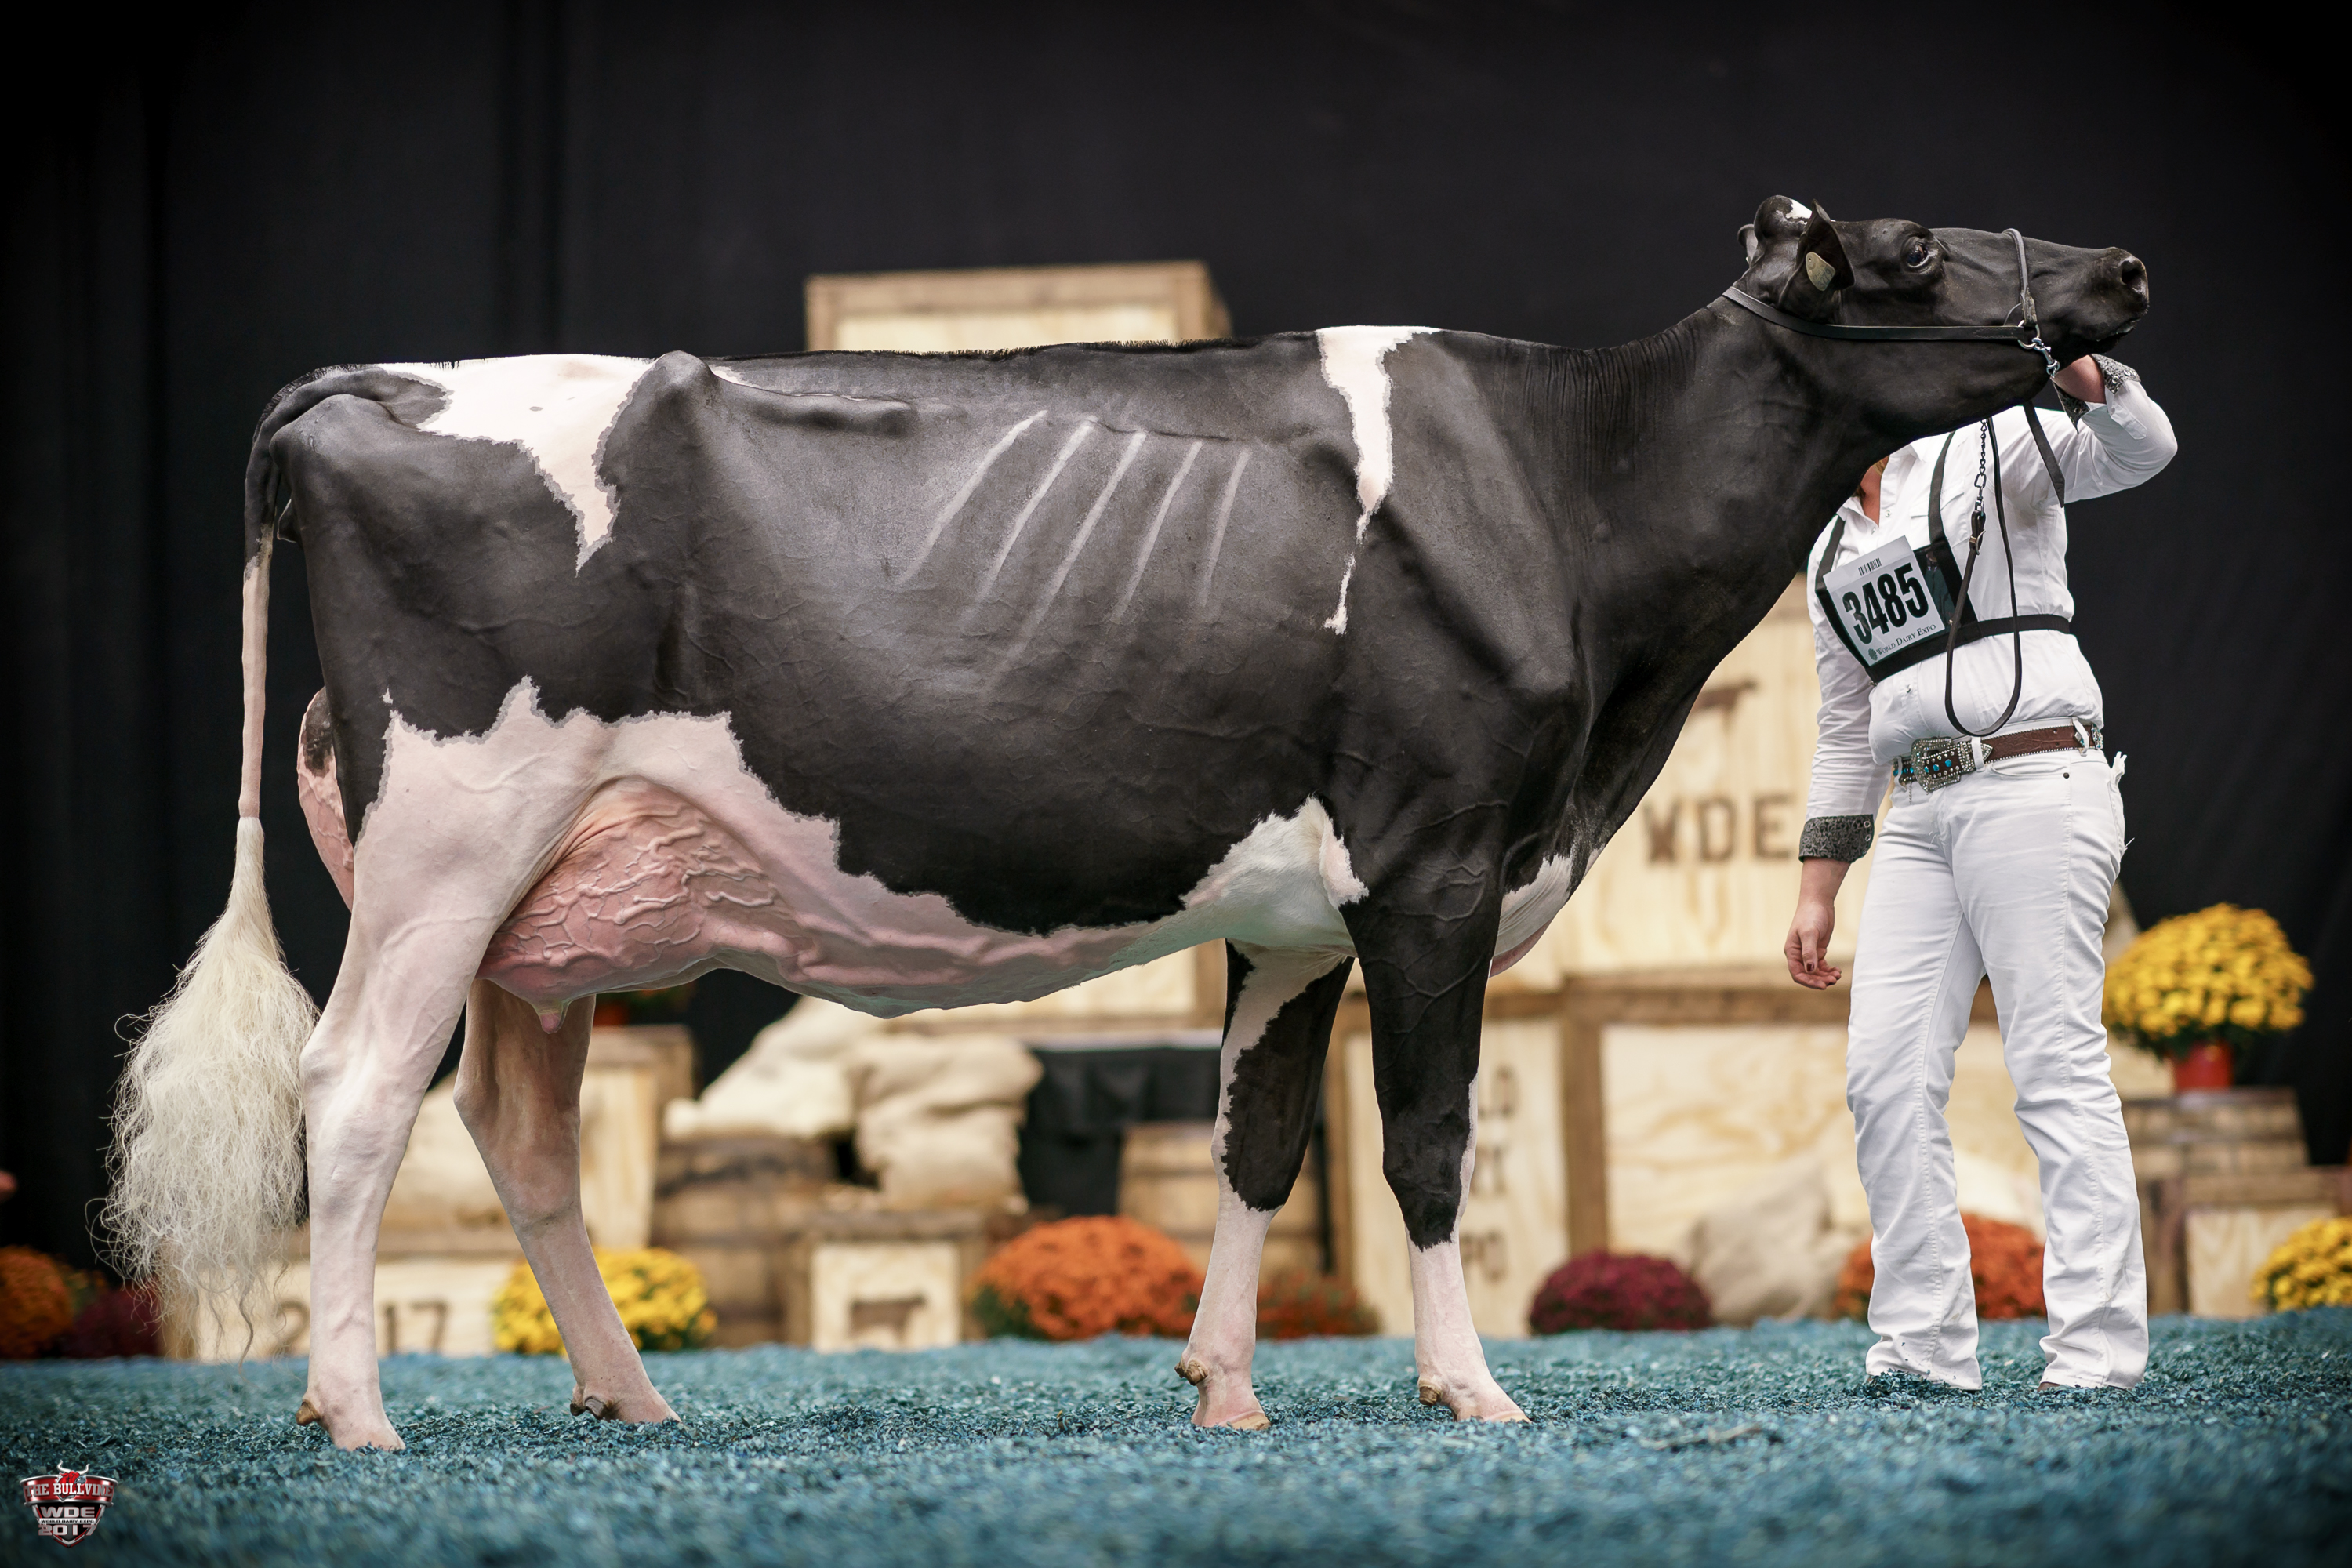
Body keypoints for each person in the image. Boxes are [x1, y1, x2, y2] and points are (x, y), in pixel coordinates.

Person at [1785, 351, 2176, 1390]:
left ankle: (2096, 1353)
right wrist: (1818, 887)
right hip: (1916, 811)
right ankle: (1921, 1346)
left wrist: (2083, 371)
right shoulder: (1828, 542)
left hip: (2034, 776)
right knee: (1883, 1077)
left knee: (2053, 1066)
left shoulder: (1989, 441)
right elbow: (1846, 724)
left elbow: (2142, 450)